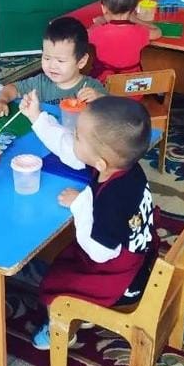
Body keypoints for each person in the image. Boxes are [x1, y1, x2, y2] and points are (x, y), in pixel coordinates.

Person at [19, 91, 156, 350]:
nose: (73, 136)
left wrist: (80, 204)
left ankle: (61, 332)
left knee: (55, 284)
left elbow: (99, 252)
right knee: (64, 256)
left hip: (118, 276)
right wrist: (36, 117)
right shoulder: (123, 166)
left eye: (78, 136)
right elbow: (68, 149)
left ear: (100, 162)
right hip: (135, 254)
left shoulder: (113, 198)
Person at [0, 16, 106, 118]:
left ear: (81, 61)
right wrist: (1, 101)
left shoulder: (92, 87)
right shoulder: (41, 83)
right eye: (47, 58)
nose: (52, 65)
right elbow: (12, 88)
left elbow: (112, 112)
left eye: (60, 61)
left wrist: (100, 98)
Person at [88, 0, 162, 83]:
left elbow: (87, 34)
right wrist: (136, 20)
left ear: (103, 8)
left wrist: (99, 22)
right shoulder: (139, 32)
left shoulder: (96, 31)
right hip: (132, 88)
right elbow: (158, 31)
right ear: (134, 8)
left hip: (104, 87)